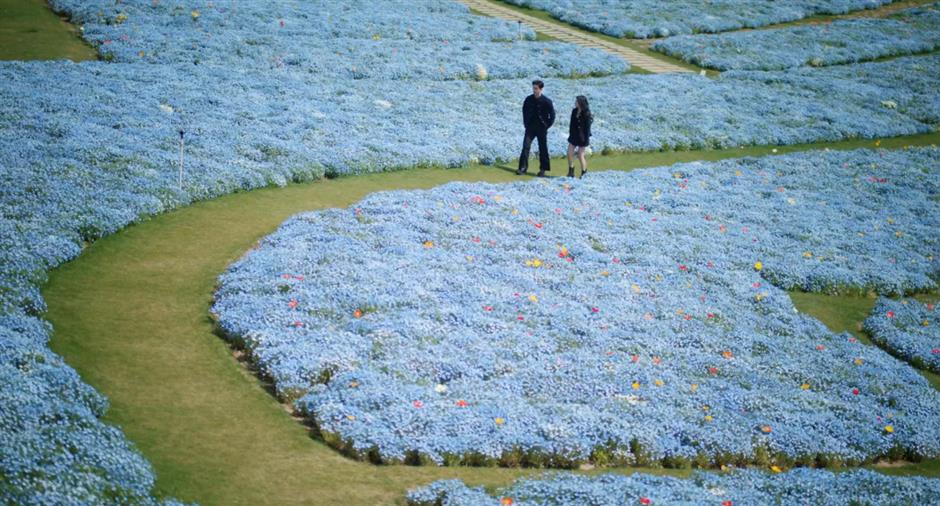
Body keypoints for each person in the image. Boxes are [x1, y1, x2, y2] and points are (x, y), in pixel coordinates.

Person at [516, 80, 555, 177]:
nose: (534, 90)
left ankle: (543, 169)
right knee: (525, 146)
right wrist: (526, 123)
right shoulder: (528, 99)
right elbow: (524, 111)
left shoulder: (547, 101)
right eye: (533, 88)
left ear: (541, 89)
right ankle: (522, 168)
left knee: (543, 148)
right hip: (530, 127)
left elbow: (552, 116)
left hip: (542, 128)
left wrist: (547, 126)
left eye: (536, 88)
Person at [567, 95, 592, 178]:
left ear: (581, 103)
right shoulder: (574, 111)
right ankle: (571, 169)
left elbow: (587, 128)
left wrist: (586, 141)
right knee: (569, 152)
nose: (575, 103)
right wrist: (570, 134)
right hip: (574, 135)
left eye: (577, 101)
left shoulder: (587, 113)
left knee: (580, 155)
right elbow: (571, 124)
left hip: (583, 137)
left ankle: (584, 172)